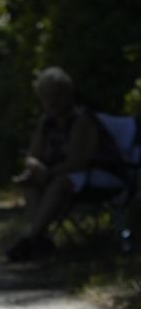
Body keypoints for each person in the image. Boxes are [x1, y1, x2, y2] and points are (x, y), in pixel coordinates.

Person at [7, 66, 128, 262]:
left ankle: (31, 239)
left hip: (101, 175)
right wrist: (32, 168)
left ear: (68, 94)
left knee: (61, 183)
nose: (51, 101)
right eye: (46, 96)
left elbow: (77, 161)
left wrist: (47, 173)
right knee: (31, 184)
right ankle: (39, 240)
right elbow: (32, 155)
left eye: (56, 95)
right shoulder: (45, 122)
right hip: (64, 176)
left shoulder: (82, 119)